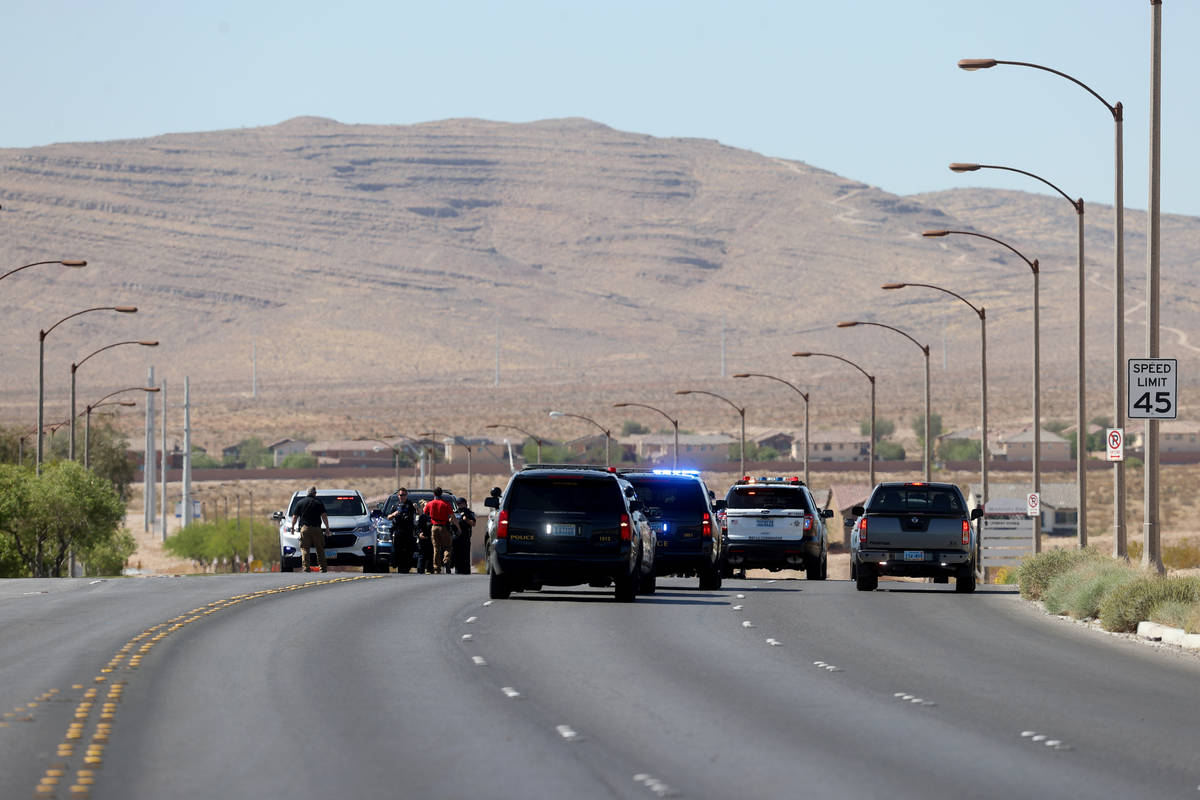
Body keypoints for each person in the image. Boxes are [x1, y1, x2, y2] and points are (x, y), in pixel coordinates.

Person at [289, 486, 330, 573]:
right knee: (320, 549)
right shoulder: (318, 502)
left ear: (307, 493)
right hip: (317, 528)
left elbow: (294, 517)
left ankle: (306, 568)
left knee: (305, 549)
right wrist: (327, 528)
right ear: (315, 493)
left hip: (305, 529)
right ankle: (323, 568)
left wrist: (292, 527)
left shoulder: (300, 503)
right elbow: (324, 516)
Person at [424, 487, 454, 574]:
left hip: (434, 527)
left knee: (436, 548)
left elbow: (424, 514)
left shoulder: (430, 504)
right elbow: (452, 516)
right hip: (444, 527)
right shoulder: (446, 504)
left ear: (434, 494)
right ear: (441, 494)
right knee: (447, 546)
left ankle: (437, 568)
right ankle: (446, 560)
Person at [387, 488, 417, 573]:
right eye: (401, 495)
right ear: (398, 496)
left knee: (408, 552)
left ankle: (406, 567)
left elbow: (416, 515)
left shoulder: (410, 505)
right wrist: (394, 514)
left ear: (406, 496)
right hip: (398, 532)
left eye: (404, 495)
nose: (402, 497)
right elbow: (388, 517)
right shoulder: (395, 506)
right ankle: (400, 567)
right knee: (398, 551)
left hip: (408, 532)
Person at [451, 496, 477, 574]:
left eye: (461, 504)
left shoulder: (469, 513)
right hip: (456, 537)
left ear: (465, 504)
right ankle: (457, 571)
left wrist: (466, 519)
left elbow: (473, 523)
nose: (460, 506)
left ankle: (466, 571)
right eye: (458, 504)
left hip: (465, 537)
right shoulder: (454, 512)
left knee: (465, 555)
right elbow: (450, 521)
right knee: (456, 555)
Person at [415, 499, 434, 574]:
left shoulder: (433, 517)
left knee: (431, 557)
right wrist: (419, 534)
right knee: (421, 557)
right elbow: (417, 528)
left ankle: (430, 570)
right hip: (422, 541)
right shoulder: (422, 517)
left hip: (431, 540)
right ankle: (420, 571)